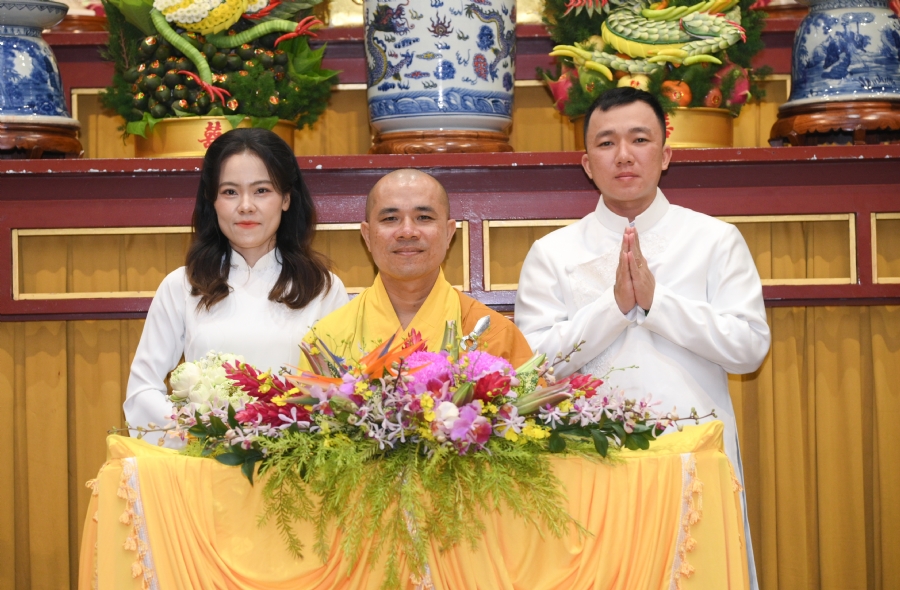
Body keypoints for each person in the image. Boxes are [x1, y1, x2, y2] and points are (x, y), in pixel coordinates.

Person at [514, 88, 769, 587]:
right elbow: (533, 367)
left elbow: (748, 348)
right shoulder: (552, 252)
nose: (624, 155)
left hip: (691, 461)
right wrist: (614, 308)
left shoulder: (715, 241)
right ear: (587, 163)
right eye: (607, 143)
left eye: (639, 139)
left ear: (666, 155)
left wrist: (657, 304)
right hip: (589, 464)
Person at [125, 128, 349, 445]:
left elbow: (342, 394)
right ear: (212, 200)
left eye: (261, 190)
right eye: (230, 192)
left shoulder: (323, 289)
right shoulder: (181, 285)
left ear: (286, 198)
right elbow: (142, 390)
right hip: (202, 469)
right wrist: (201, 436)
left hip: (293, 474)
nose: (245, 206)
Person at [305, 168, 533, 367]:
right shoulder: (327, 340)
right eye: (390, 218)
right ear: (367, 236)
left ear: (449, 233)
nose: (407, 231)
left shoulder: (494, 336)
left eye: (423, 217)